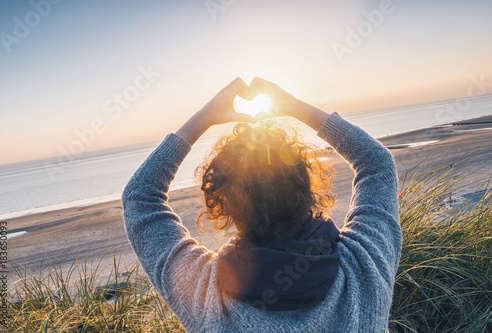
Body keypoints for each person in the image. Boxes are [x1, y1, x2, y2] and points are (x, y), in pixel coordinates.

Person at [122, 77, 402, 332]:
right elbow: (375, 162)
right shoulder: (363, 264)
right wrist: (295, 107)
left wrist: (204, 119)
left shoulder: (209, 298)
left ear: (224, 206)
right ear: (305, 187)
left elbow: (140, 198)